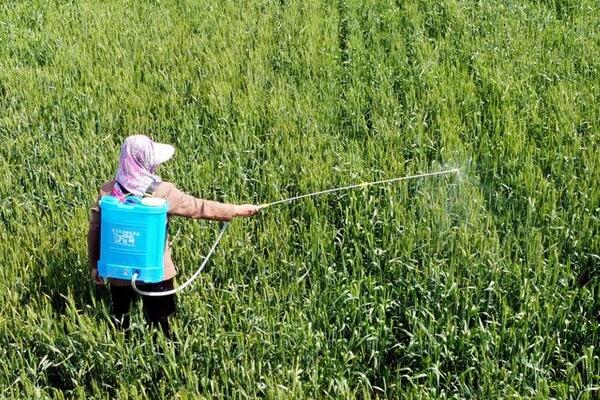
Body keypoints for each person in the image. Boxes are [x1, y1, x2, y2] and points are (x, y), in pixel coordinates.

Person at [87, 135, 259, 337]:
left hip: (118, 272)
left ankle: (123, 351)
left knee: (120, 319)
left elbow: (94, 230)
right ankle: (165, 359)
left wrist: (95, 265)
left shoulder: (108, 191)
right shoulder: (162, 192)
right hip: (156, 272)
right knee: (163, 325)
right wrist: (235, 210)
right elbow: (198, 207)